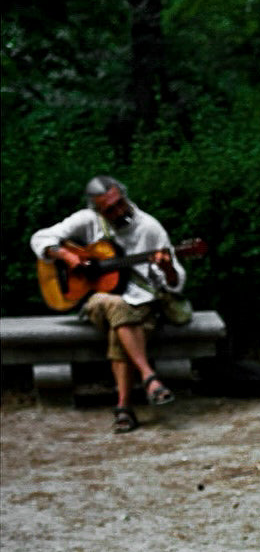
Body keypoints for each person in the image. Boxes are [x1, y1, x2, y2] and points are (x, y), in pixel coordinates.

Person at [30, 174, 186, 434]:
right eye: (110, 209)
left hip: (141, 302)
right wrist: (65, 255)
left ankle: (124, 408)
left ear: (124, 196)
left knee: (120, 321)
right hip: (96, 300)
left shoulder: (149, 228)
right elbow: (40, 238)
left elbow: (175, 283)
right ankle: (148, 376)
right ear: (98, 210)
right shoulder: (87, 220)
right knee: (113, 303)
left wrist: (168, 268)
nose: (119, 211)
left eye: (120, 203)